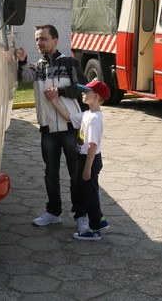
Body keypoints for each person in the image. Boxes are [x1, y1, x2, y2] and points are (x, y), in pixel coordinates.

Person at [16, 24, 85, 227]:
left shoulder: (70, 63)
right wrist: (22, 61)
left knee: (75, 173)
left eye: (43, 39)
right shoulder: (37, 68)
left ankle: (81, 216)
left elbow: (84, 88)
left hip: (70, 128)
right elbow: (23, 77)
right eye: (37, 39)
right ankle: (53, 212)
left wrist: (61, 92)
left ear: (55, 40)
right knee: (50, 173)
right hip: (47, 130)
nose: (39, 43)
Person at [46, 80, 112, 240]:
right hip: (85, 158)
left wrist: (87, 168)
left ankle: (94, 229)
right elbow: (68, 116)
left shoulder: (95, 119)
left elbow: (93, 145)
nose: (82, 93)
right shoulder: (87, 114)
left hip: (90, 159)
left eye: (86, 92)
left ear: (96, 96)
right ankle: (101, 220)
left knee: (89, 195)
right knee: (88, 192)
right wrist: (54, 101)